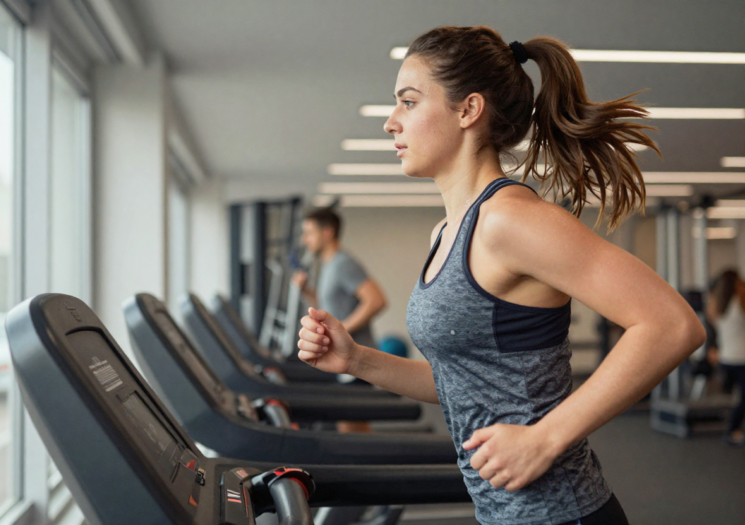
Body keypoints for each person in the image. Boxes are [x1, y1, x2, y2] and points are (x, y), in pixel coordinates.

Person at [296, 26, 705, 525]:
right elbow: (461, 382)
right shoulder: (447, 233)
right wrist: (356, 359)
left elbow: (672, 325)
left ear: (468, 110)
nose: (390, 123)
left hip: (561, 515)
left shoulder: (510, 221)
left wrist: (545, 438)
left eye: (407, 102)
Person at [292, 207, 387, 433]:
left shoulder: (343, 263)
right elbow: (332, 307)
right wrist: (307, 290)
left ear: (327, 233)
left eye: (309, 233)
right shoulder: (328, 264)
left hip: (357, 359)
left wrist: (340, 330)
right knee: (353, 432)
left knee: (353, 435)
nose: (305, 240)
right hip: (343, 360)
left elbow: (376, 300)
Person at [705, 269, 745, 447]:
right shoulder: (740, 302)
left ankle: (733, 429)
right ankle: (732, 430)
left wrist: (712, 348)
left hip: (726, 358)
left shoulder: (716, 305)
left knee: (739, 397)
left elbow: (711, 330)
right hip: (740, 358)